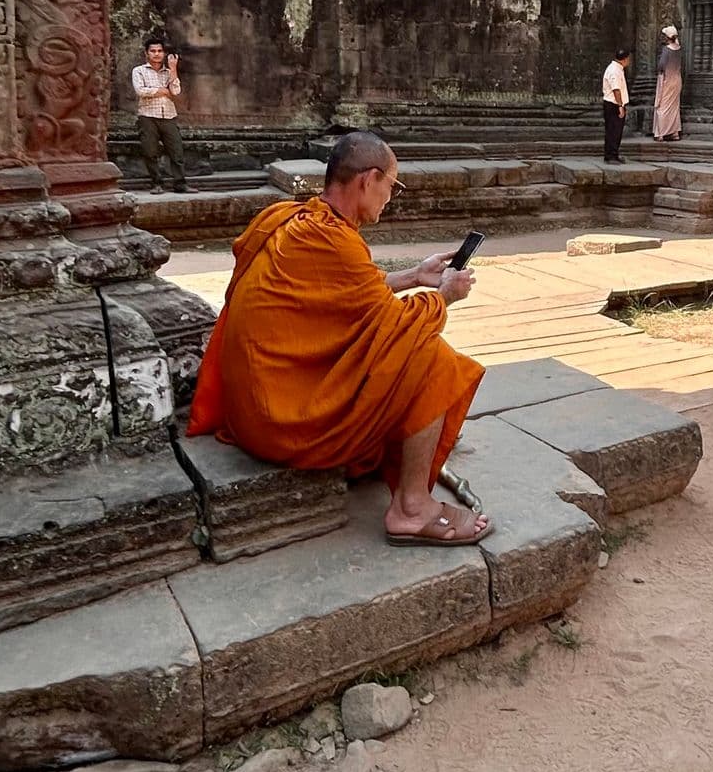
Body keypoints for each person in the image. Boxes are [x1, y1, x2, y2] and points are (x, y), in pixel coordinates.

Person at [186, 131, 491, 546]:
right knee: (431, 358)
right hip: (280, 422)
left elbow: (341, 298)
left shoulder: (292, 219)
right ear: (368, 180)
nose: (390, 197)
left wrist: (413, 277)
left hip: (252, 407)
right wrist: (443, 296)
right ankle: (412, 508)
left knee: (402, 353)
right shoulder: (334, 242)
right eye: (392, 186)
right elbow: (399, 328)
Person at [131, 36, 189, 193]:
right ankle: (156, 184)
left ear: (164, 53)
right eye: (153, 51)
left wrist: (173, 68)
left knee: (177, 151)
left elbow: (176, 91)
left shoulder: (169, 72)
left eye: (160, 51)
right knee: (150, 151)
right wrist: (163, 91)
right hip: (147, 116)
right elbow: (140, 91)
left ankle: (180, 184)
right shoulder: (139, 71)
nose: (156, 54)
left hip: (169, 115)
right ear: (146, 53)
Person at [602, 46, 633, 163]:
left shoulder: (617, 69)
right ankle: (611, 155)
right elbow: (616, 90)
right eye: (628, 59)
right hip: (613, 104)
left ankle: (613, 154)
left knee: (616, 130)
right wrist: (620, 106)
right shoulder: (614, 70)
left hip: (615, 103)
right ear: (624, 59)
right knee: (613, 130)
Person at [652, 25, 683, 142]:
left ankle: (661, 132)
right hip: (677, 79)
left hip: (667, 80)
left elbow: (661, 66)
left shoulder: (667, 49)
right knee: (674, 106)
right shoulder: (679, 48)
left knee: (662, 105)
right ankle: (674, 132)